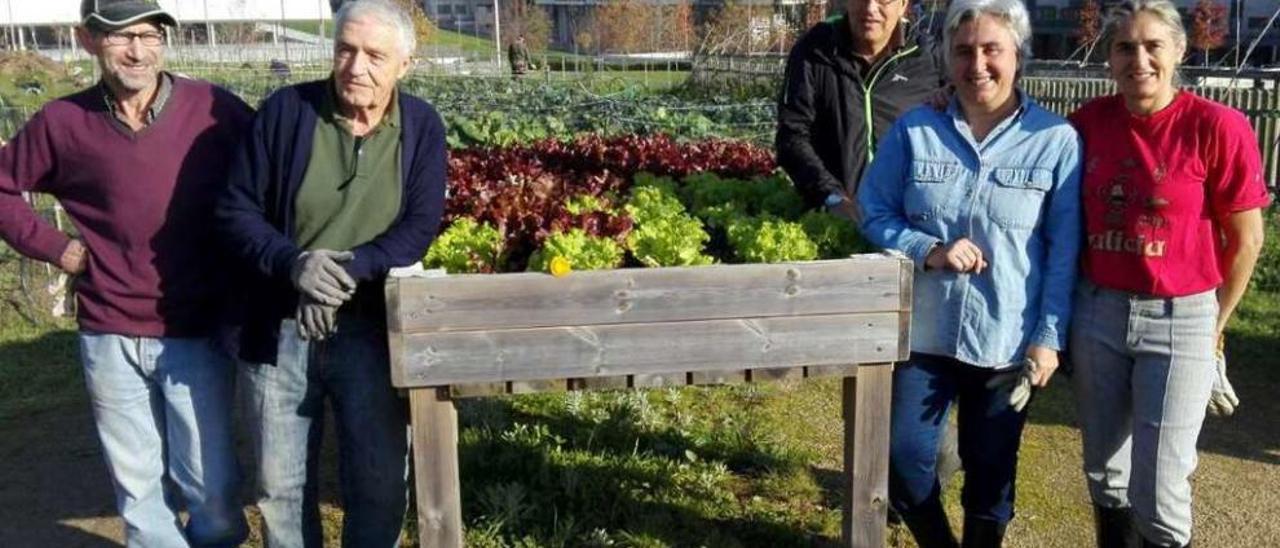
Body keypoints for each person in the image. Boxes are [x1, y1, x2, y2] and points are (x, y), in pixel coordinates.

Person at [0, 1, 252, 545]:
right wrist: (58, 248)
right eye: (120, 38)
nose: (137, 51)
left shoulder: (215, 110)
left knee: (211, 485)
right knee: (137, 487)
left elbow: (267, 179)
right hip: (108, 329)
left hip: (196, 328)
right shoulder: (63, 123)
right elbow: (2, 186)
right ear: (87, 40)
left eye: (148, 35)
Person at [216, 0, 448, 545]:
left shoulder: (421, 128)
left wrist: (348, 271)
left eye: (374, 55)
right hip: (279, 327)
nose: (355, 67)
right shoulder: (285, 113)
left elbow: (419, 226)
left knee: (379, 482)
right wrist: (294, 263)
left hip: (368, 329)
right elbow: (236, 209)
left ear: (404, 65)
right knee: (282, 487)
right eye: (345, 49)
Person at [856, 0, 1082, 545]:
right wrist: (927, 247)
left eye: (991, 50)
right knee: (905, 464)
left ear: (1019, 57)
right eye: (963, 51)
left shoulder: (1055, 142)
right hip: (924, 336)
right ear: (946, 59)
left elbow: (1063, 250)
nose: (977, 64)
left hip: (1006, 338)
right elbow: (873, 209)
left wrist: (1049, 339)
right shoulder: (917, 130)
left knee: (991, 475)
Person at [1067, 2, 1270, 547]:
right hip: (1097, 312)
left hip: (1180, 318)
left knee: (1160, 490)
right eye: (1124, 47)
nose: (1140, 59)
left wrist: (1215, 323)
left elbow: (1247, 238)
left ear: (1179, 50)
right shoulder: (1087, 124)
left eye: (1153, 45)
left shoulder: (1215, 126)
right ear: (1108, 58)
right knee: (1105, 473)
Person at [776, 0, 944, 220]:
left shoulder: (927, 58)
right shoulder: (814, 52)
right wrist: (832, 198)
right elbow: (792, 135)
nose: (870, 8)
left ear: (903, 5)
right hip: (835, 221)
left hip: (912, 225)